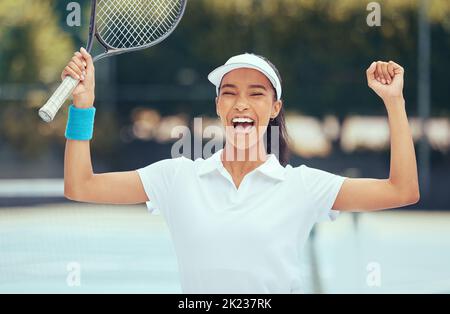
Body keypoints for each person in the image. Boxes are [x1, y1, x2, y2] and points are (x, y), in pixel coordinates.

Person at [63, 48, 419, 293]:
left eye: (257, 93)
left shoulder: (303, 186)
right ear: (218, 105)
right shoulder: (176, 178)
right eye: (230, 93)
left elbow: (401, 191)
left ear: (275, 106)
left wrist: (394, 102)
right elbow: (81, 185)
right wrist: (83, 106)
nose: (242, 104)